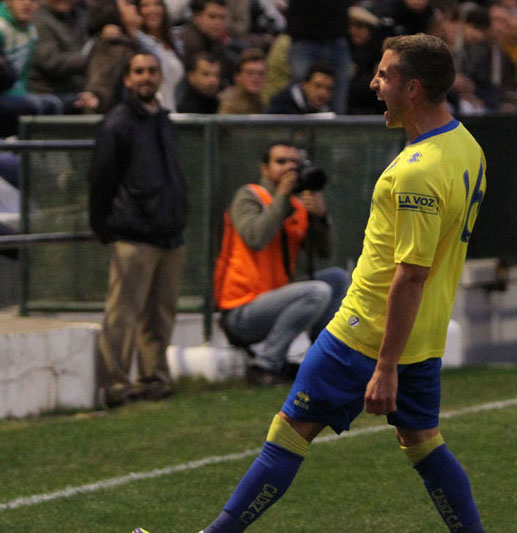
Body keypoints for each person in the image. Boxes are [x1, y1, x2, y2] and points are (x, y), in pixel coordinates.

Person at [193, 33, 487, 533]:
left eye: (384, 75)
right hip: (423, 336)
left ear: (412, 88)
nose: (373, 84)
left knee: (289, 432)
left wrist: (385, 366)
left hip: (366, 331)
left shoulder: (417, 173)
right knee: (423, 444)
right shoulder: (467, 146)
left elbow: (410, 276)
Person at [88, 51, 187, 407]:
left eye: (152, 71)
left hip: (168, 234)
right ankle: (116, 384)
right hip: (133, 234)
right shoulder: (118, 123)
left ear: (161, 77)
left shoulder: (163, 119)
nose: (146, 77)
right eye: (138, 71)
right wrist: (105, 227)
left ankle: (154, 379)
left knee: (160, 316)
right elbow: (101, 180)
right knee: (123, 315)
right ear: (128, 79)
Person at [213, 142, 349, 385]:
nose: (289, 168)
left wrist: (320, 217)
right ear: (265, 168)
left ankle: (321, 362)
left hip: (277, 300)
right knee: (316, 291)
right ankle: (264, 365)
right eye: (281, 161)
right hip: (242, 310)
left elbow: (324, 252)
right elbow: (256, 238)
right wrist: (282, 197)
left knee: (337, 278)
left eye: (295, 163)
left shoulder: (297, 206)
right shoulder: (248, 196)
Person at [0, 0, 62, 136]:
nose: (27, 4)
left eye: (34, 0)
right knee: (32, 105)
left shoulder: (32, 31)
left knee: (53, 104)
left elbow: (21, 75)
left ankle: (41, 155)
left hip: (17, 90)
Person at [29, 0, 92, 113]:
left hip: (77, 88)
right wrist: (90, 59)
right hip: (48, 90)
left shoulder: (80, 16)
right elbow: (51, 62)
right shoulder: (39, 20)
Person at [136, 0, 184, 111]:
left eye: (157, 4)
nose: (152, 9)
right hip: (148, 113)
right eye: (145, 5)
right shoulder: (137, 41)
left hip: (173, 112)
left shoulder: (175, 43)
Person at [177, 0, 233, 84]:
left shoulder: (217, 42)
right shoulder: (190, 44)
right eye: (212, 17)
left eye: (222, 17)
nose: (217, 23)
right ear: (197, 17)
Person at [267, 61, 335, 114]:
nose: (323, 93)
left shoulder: (330, 111)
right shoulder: (280, 106)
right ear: (304, 85)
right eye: (317, 86)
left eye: (328, 89)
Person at [217, 47, 266, 114]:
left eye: (260, 74)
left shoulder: (260, 102)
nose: (255, 78)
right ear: (238, 76)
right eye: (250, 73)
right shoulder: (228, 105)